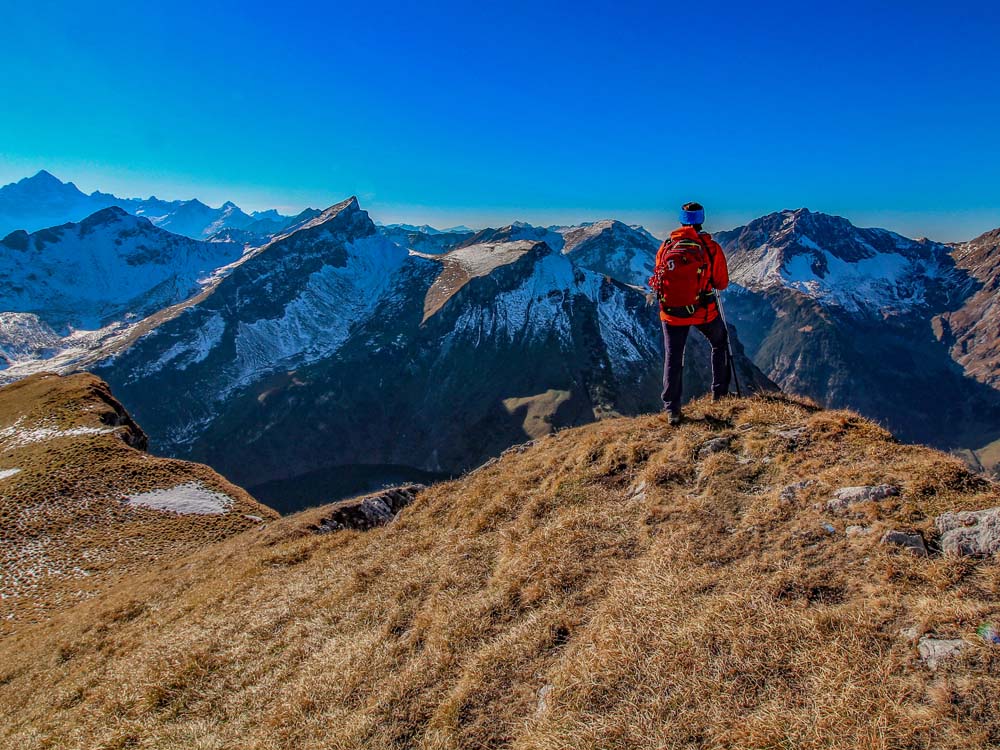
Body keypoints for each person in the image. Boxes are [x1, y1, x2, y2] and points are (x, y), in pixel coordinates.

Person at [649, 202, 731, 425]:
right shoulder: (710, 247)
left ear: (681, 220)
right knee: (719, 342)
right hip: (703, 311)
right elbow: (721, 283)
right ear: (702, 220)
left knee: (673, 357)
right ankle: (720, 394)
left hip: (671, 313)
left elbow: (659, 277)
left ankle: (672, 409)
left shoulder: (666, 246)